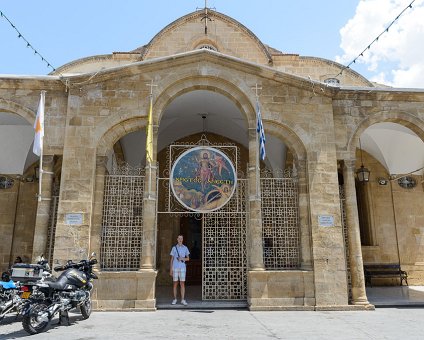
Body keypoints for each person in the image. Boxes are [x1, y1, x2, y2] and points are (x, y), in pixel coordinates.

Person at [169, 234, 190, 306]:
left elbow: (188, 258)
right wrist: (170, 269)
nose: (180, 240)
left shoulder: (185, 248)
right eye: (179, 238)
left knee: (182, 283)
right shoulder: (174, 248)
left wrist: (182, 258)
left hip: (182, 268)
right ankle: (175, 299)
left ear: (182, 239)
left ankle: (183, 300)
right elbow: (171, 259)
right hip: (175, 267)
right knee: (175, 283)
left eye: (181, 238)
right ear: (177, 239)